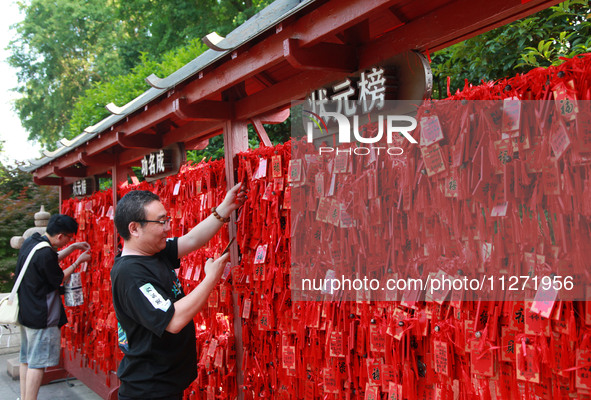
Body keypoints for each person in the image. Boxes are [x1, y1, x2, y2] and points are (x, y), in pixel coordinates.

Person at [111, 183, 245, 400]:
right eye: (160, 222)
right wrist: (211, 277)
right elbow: (172, 320)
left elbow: (192, 240)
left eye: (167, 220)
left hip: (165, 383)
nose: (167, 228)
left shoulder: (154, 250)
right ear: (134, 228)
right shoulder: (130, 274)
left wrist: (225, 208)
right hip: (149, 390)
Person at [16, 214, 91, 400]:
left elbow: (49, 261)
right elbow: (59, 277)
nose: (70, 240)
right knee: (37, 363)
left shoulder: (32, 242)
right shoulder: (46, 254)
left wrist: (72, 248)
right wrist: (78, 262)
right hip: (42, 315)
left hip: (26, 311)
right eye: (69, 238)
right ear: (60, 236)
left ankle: (24, 397)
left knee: (26, 359)